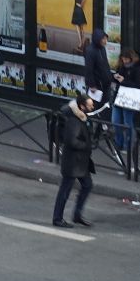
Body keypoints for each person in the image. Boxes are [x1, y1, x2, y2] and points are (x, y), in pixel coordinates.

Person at [52, 92, 97, 228]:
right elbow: (71, 141)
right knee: (65, 190)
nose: (93, 107)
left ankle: (77, 214)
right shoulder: (74, 120)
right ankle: (57, 218)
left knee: (87, 185)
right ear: (82, 107)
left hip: (80, 163)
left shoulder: (81, 117)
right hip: (73, 163)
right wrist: (87, 145)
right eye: (90, 105)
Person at [111, 49, 140, 154]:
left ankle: (128, 145)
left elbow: (139, 85)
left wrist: (124, 81)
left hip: (130, 99)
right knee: (115, 121)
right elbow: (117, 79)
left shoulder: (137, 69)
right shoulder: (121, 67)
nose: (125, 61)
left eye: (126, 59)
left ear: (131, 58)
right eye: (123, 59)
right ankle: (118, 143)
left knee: (127, 122)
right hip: (119, 97)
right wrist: (115, 77)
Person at [81, 29, 112, 101]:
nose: (105, 41)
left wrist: (111, 76)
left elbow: (105, 65)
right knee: (95, 106)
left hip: (105, 84)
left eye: (106, 39)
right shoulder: (90, 51)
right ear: (98, 39)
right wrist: (91, 85)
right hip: (97, 85)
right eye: (103, 39)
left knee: (105, 106)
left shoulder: (102, 49)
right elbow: (89, 69)